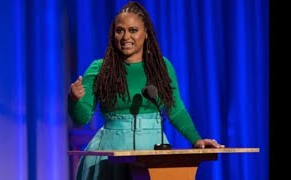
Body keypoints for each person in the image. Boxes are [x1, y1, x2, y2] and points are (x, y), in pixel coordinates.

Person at [67, 1, 225, 180]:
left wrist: (196, 140)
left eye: (133, 30)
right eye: (120, 30)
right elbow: (81, 118)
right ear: (113, 35)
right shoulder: (99, 69)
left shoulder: (161, 67)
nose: (126, 36)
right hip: (110, 151)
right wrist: (74, 99)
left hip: (153, 151)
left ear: (146, 33)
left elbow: (176, 110)